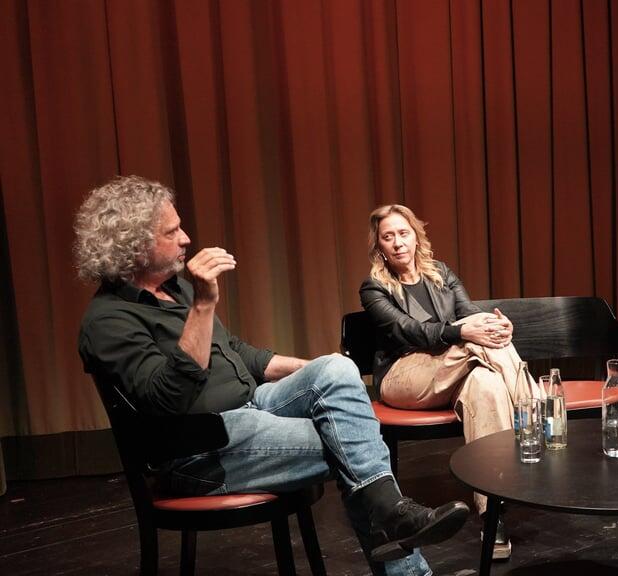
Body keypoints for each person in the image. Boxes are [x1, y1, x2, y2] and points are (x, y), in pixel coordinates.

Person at [75, 176, 469, 576]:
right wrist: (204, 306)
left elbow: (237, 353)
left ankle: (390, 512)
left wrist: (316, 372)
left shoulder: (176, 289)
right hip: (201, 449)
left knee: (337, 370)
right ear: (136, 245)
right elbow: (167, 399)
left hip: (252, 405)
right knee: (353, 444)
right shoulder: (108, 321)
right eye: (172, 231)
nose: (186, 238)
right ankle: (400, 536)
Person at [359, 204, 535, 560]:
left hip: (456, 369)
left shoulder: (441, 273)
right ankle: (533, 417)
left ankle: (493, 515)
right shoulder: (374, 287)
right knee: (474, 342)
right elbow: (409, 331)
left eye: (403, 233)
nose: (397, 243)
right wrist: (463, 332)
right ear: (379, 245)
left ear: (416, 236)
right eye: (388, 237)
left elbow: (470, 315)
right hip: (404, 377)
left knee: (486, 384)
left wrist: (498, 326)